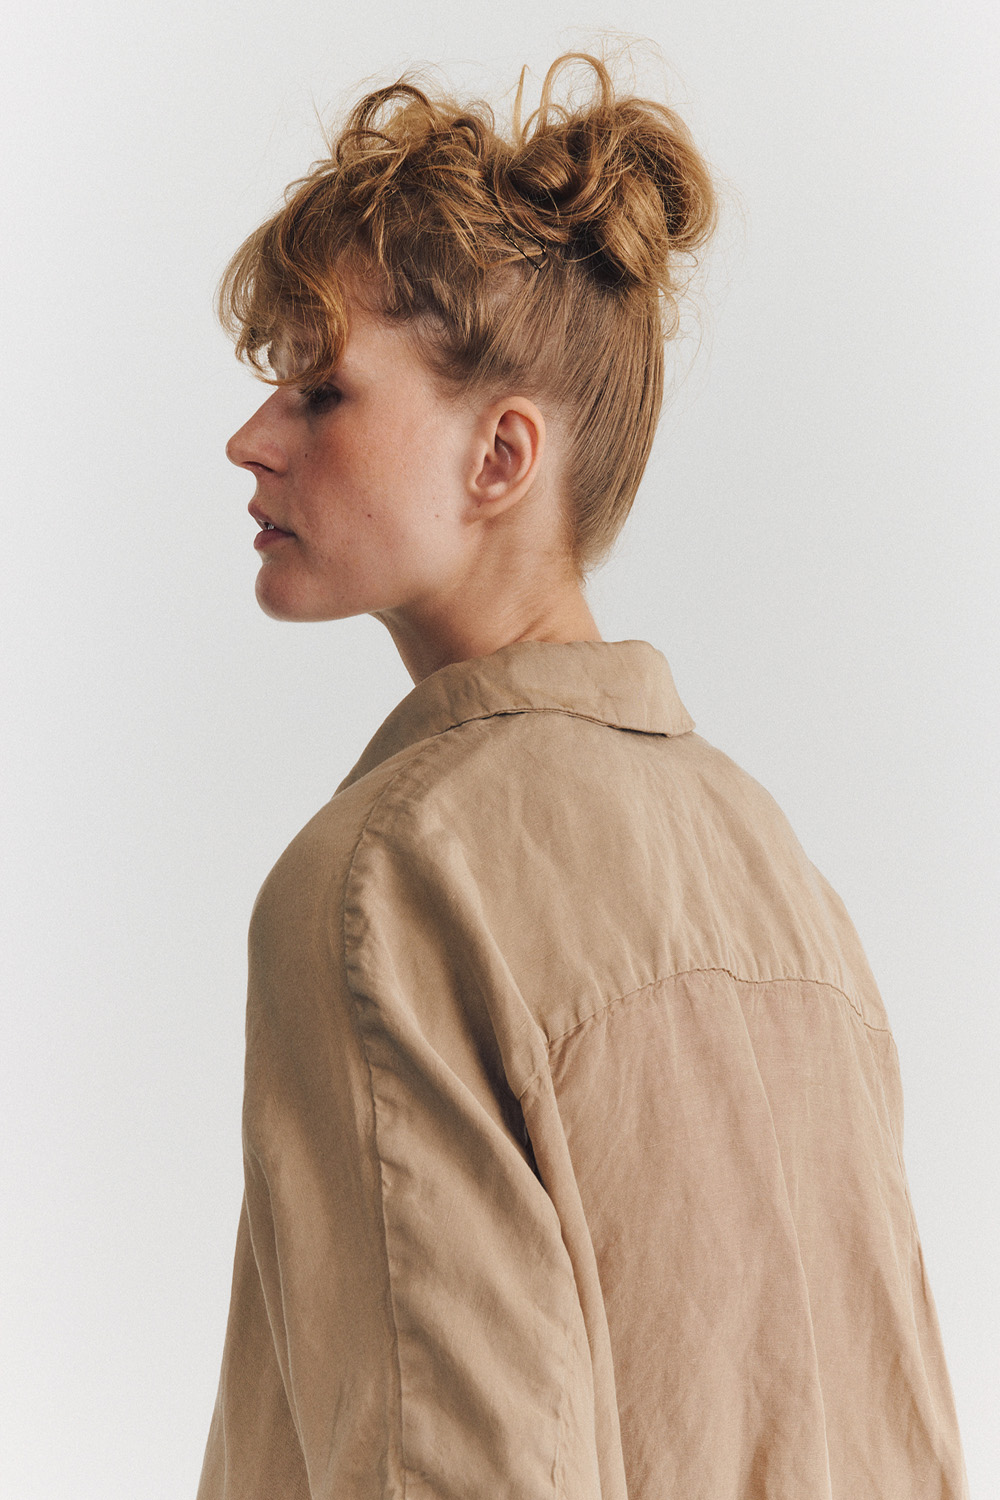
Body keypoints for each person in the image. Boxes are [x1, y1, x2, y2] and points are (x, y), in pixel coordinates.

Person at [197, 49, 968, 1500]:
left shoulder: (384, 885)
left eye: (321, 392)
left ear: (501, 456)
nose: (251, 440)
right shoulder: (777, 872)